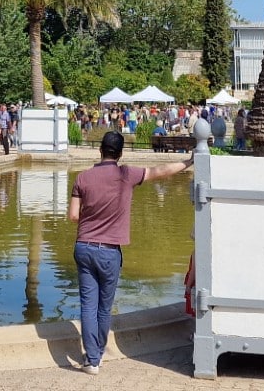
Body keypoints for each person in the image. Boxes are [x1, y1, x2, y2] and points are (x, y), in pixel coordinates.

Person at [67, 132, 191, 374]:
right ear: (120, 153)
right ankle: (97, 355)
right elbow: (160, 171)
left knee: (88, 306)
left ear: (100, 150)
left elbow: (73, 215)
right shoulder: (127, 174)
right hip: (109, 251)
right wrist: (189, 161)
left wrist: (92, 218)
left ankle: (91, 359)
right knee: (104, 307)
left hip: (84, 247)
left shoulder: (82, 177)